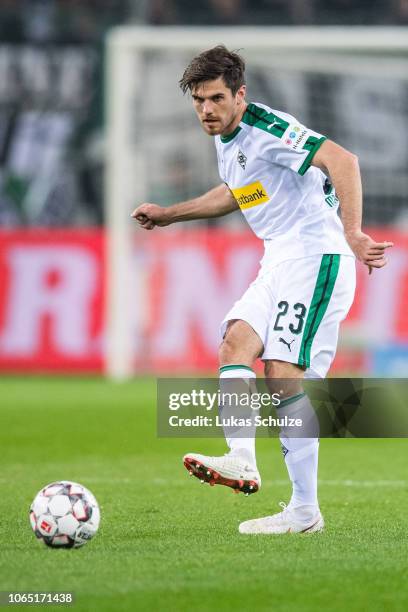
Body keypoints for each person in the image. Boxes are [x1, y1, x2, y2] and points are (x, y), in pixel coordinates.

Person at [132, 45, 393, 535]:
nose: (206, 110)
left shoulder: (266, 128)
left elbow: (343, 159)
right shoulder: (228, 139)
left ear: (239, 95)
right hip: (277, 259)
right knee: (234, 341)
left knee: (282, 375)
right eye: (198, 100)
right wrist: (170, 214)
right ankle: (242, 460)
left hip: (317, 257)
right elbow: (239, 192)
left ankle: (303, 510)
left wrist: (354, 231)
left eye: (215, 98)